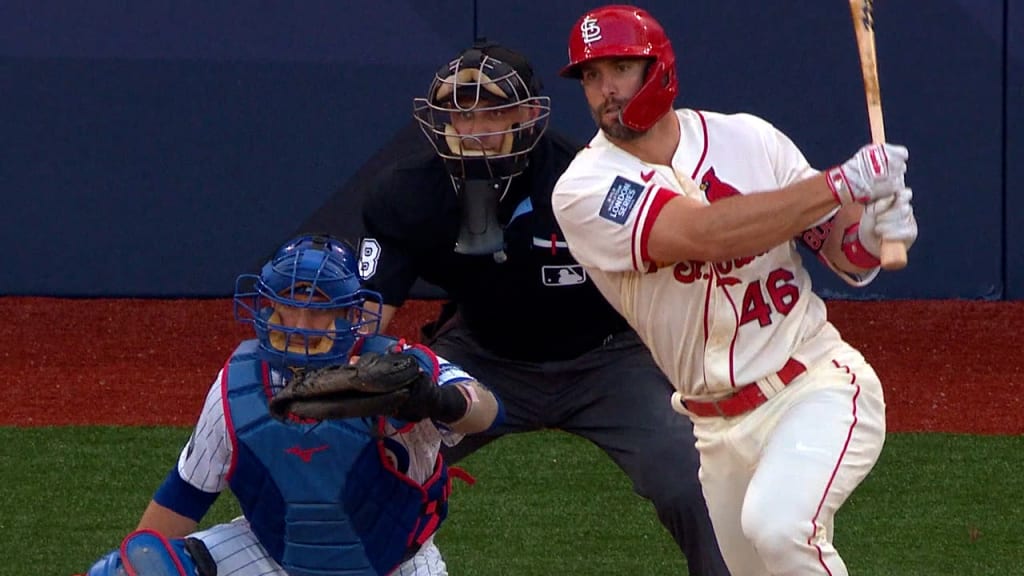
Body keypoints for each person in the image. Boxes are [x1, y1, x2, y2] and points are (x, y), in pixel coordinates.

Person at [551, 5, 918, 576]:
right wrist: (839, 183)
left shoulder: (748, 139)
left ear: (659, 68)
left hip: (813, 385)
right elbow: (703, 234)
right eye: (591, 77)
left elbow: (838, 247)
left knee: (780, 527)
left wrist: (871, 230)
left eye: (619, 68)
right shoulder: (585, 188)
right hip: (714, 431)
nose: (605, 91)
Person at [355, 38, 730, 574]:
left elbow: (680, 280)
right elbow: (367, 315)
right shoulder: (408, 193)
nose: (475, 128)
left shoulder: (589, 181)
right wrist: (355, 379)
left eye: (494, 111)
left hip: (609, 359)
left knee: (689, 477)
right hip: (483, 355)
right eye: (461, 115)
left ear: (530, 114)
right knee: (374, 459)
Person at [79, 233, 503, 576]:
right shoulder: (238, 381)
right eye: (288, 304)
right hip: (272, 559)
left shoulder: (399, 365)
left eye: (319, 308)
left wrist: (436, 398)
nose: (300, 324)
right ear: (269, 308)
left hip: (396, 565)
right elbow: (185, 494)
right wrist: (133, 567)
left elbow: (486, 411)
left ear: (349, 315)